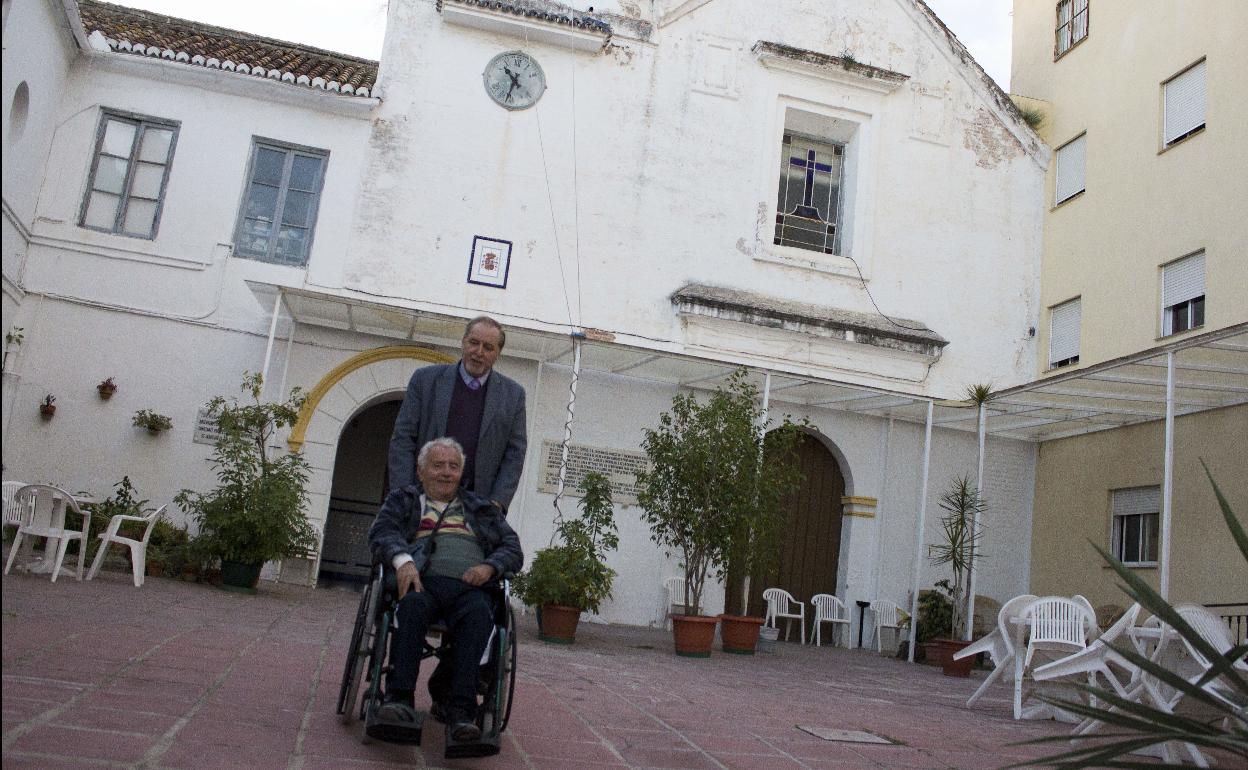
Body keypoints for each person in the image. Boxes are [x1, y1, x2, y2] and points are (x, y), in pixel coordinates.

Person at [368, 438, 524, 743]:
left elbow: (513, 548)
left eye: (453, 466)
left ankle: (462, 711)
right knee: (410, 607)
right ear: (421, 471)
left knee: (481, 618)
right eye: (438, 465)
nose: (446, 473)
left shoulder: (480, 508)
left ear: (461, 472)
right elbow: (382, 531)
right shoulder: (405, 500)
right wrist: (403, 561)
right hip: (421, 580)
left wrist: (490, 567)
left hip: (471, 587)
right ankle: (398, 699)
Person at [388, 316, 527, 510]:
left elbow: (515, 454)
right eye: (473, 343)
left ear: (498, 353)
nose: (478, 352)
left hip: (477, 508)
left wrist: (497, 502)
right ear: (463, 342)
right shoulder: (425, 380)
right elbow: (403, 439)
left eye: (488, 347)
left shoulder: (513, 395)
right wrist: (404, 494)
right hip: (422, 501)